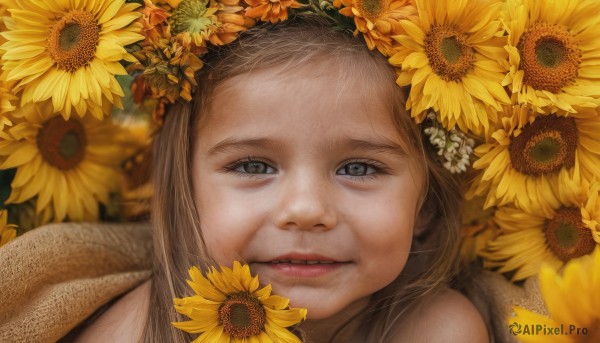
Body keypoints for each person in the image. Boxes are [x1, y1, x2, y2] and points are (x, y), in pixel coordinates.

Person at [73, 14, 488, 342]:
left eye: (359, 168)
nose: (305, 210)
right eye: (254, 166)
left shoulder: (439, 330)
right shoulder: (138, 332)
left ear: (427, 204)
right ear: (183, 191)